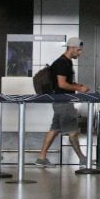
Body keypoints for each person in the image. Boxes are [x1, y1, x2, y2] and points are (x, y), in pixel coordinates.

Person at [37, 37, 89, 167]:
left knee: (54, 129)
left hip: (60, 101)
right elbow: (62, 84)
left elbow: (67, 82)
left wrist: (78, 85)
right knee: (73, 131)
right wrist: (79, 88)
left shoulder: (67, 62)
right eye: (79, 50)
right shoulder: (61, 63)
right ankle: (82, 159)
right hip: (63, 102)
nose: (80, 53)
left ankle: (41, 157)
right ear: (71, 48)